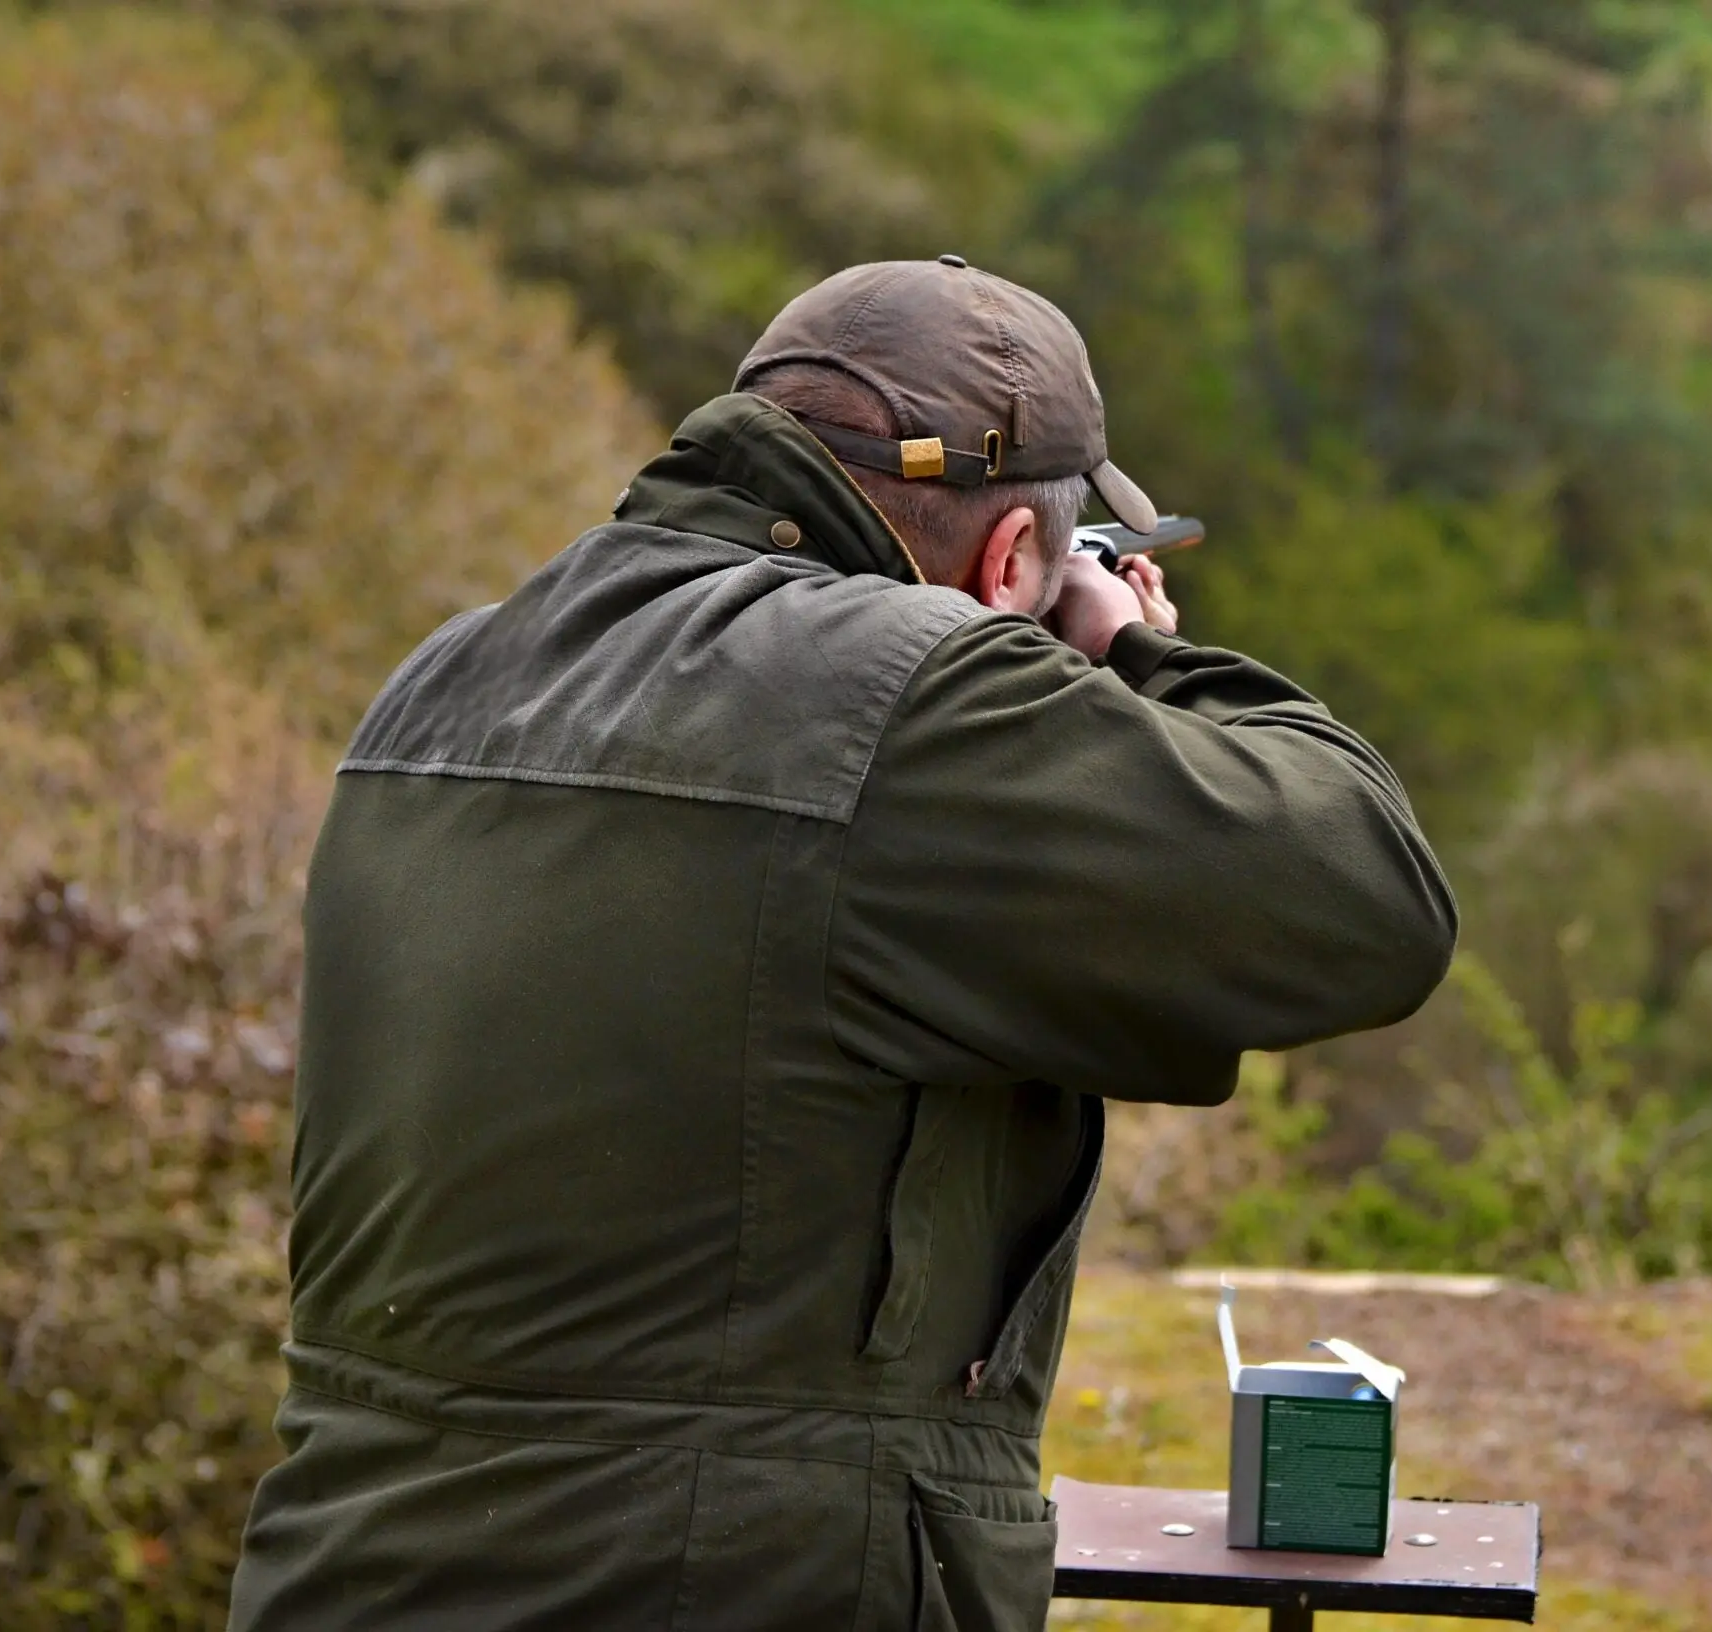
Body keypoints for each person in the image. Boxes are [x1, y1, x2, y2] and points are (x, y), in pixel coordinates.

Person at [227, 257, 1458, 1631]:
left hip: (344, 1579)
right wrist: (1131, 658)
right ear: (1010, 563)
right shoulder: (911, 707)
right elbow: (1370, 898)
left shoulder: (441, 680)